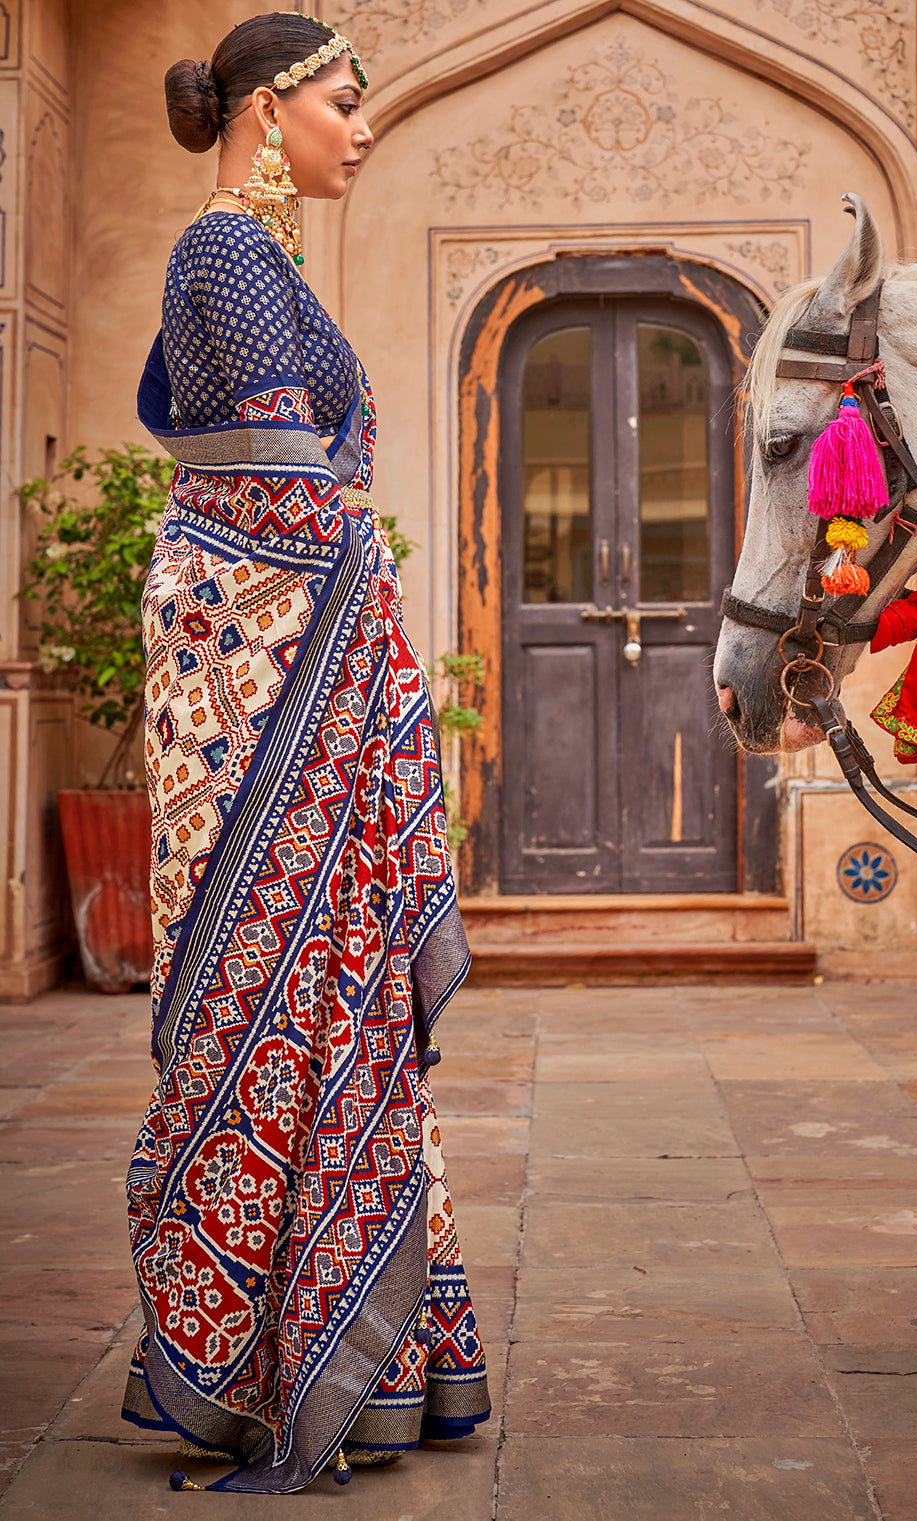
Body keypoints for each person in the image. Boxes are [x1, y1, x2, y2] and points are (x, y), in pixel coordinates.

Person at [124, 12, 489, 1494]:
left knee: (329, 1006)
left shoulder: (260, 263)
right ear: (269, 109)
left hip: (289, 675)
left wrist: (357, 572)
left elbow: (303, 489)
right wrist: (368, 603)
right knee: (264, 1003)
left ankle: (338, 1353)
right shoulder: (225, 255)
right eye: (346, 102)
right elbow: (277, 496)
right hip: (257, 694)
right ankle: (271, 1359)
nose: (361, 124)